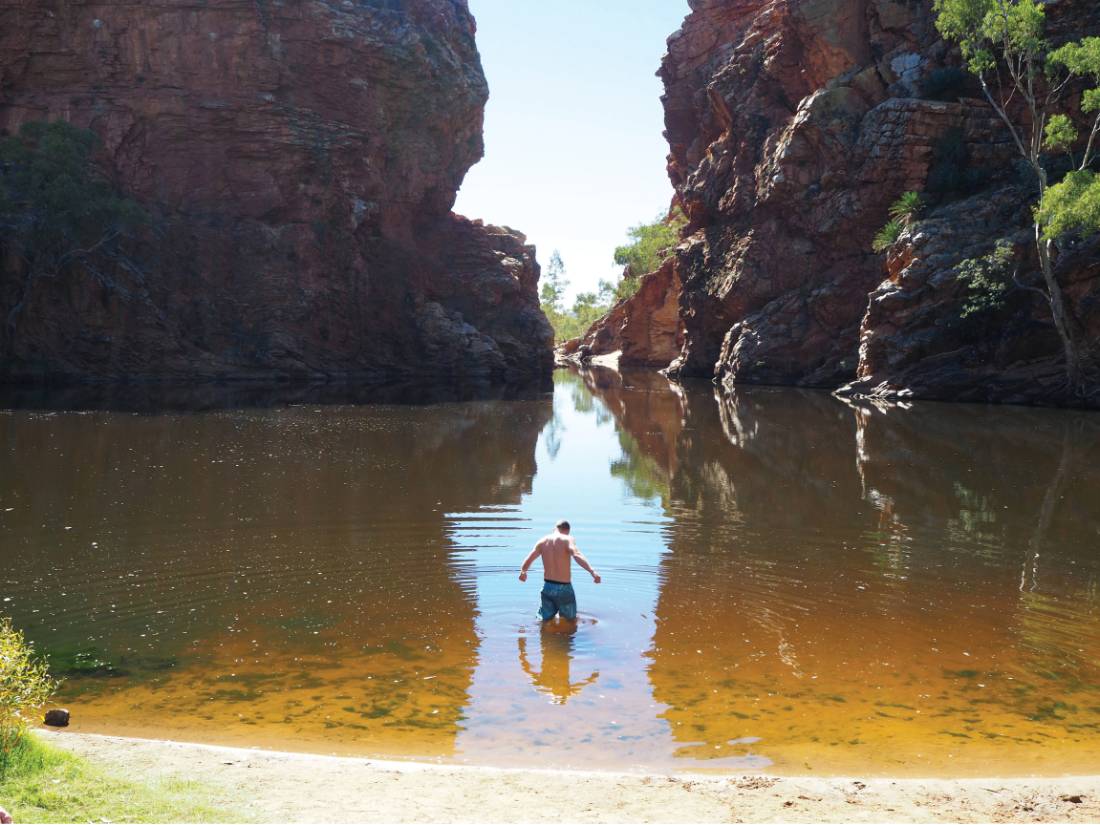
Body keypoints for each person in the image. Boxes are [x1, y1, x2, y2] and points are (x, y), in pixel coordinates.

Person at [518, 520, 600, 620]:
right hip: (564, 588)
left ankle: (543, 634)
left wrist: (523, 571)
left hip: (547, 587)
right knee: (569, 621)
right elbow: (577, 555)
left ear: (555, 529)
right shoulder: (567, 539)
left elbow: (529, 558)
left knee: (543, 620)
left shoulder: (542, 541)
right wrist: (592, 571)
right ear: (567, 530)